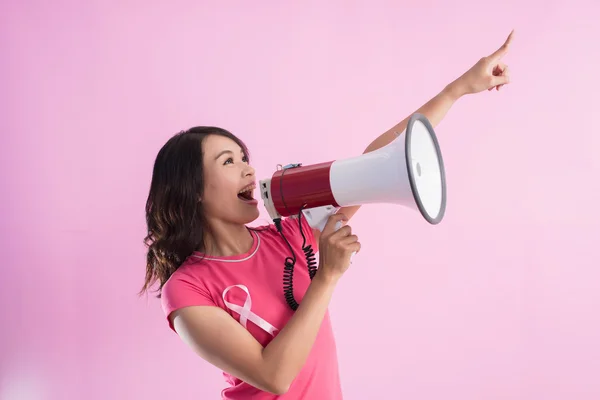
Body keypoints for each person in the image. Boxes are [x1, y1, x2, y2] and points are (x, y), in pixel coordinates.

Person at [140, 31, 514, 399]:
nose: (249, 171)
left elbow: (373, 164)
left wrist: (460, 88)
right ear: (196, 191)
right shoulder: (185, 289)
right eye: (228, 162)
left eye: (244, 158)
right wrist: (328, 276)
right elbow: (273, 376)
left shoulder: (287, 235)